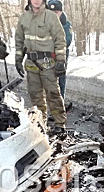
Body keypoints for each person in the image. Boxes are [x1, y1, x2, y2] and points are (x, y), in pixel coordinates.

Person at [15, 0, 67, 135]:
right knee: (35, 96)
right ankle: (40, 123)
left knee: (53, 94)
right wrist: (18, 60)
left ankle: (59, 124)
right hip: (31, 64)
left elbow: (60, 39)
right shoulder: (24, 17)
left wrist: (61, 60)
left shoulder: (51, 16)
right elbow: (19, 40)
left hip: (48, 63)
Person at [48, 0, 72, 100]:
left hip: (60, 58)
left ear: (61, 12)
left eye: (56, 12)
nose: (54, 15)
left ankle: (59, 107)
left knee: (60, 82)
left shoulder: (65, 24)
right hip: (46, 58)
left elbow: (67, 40)